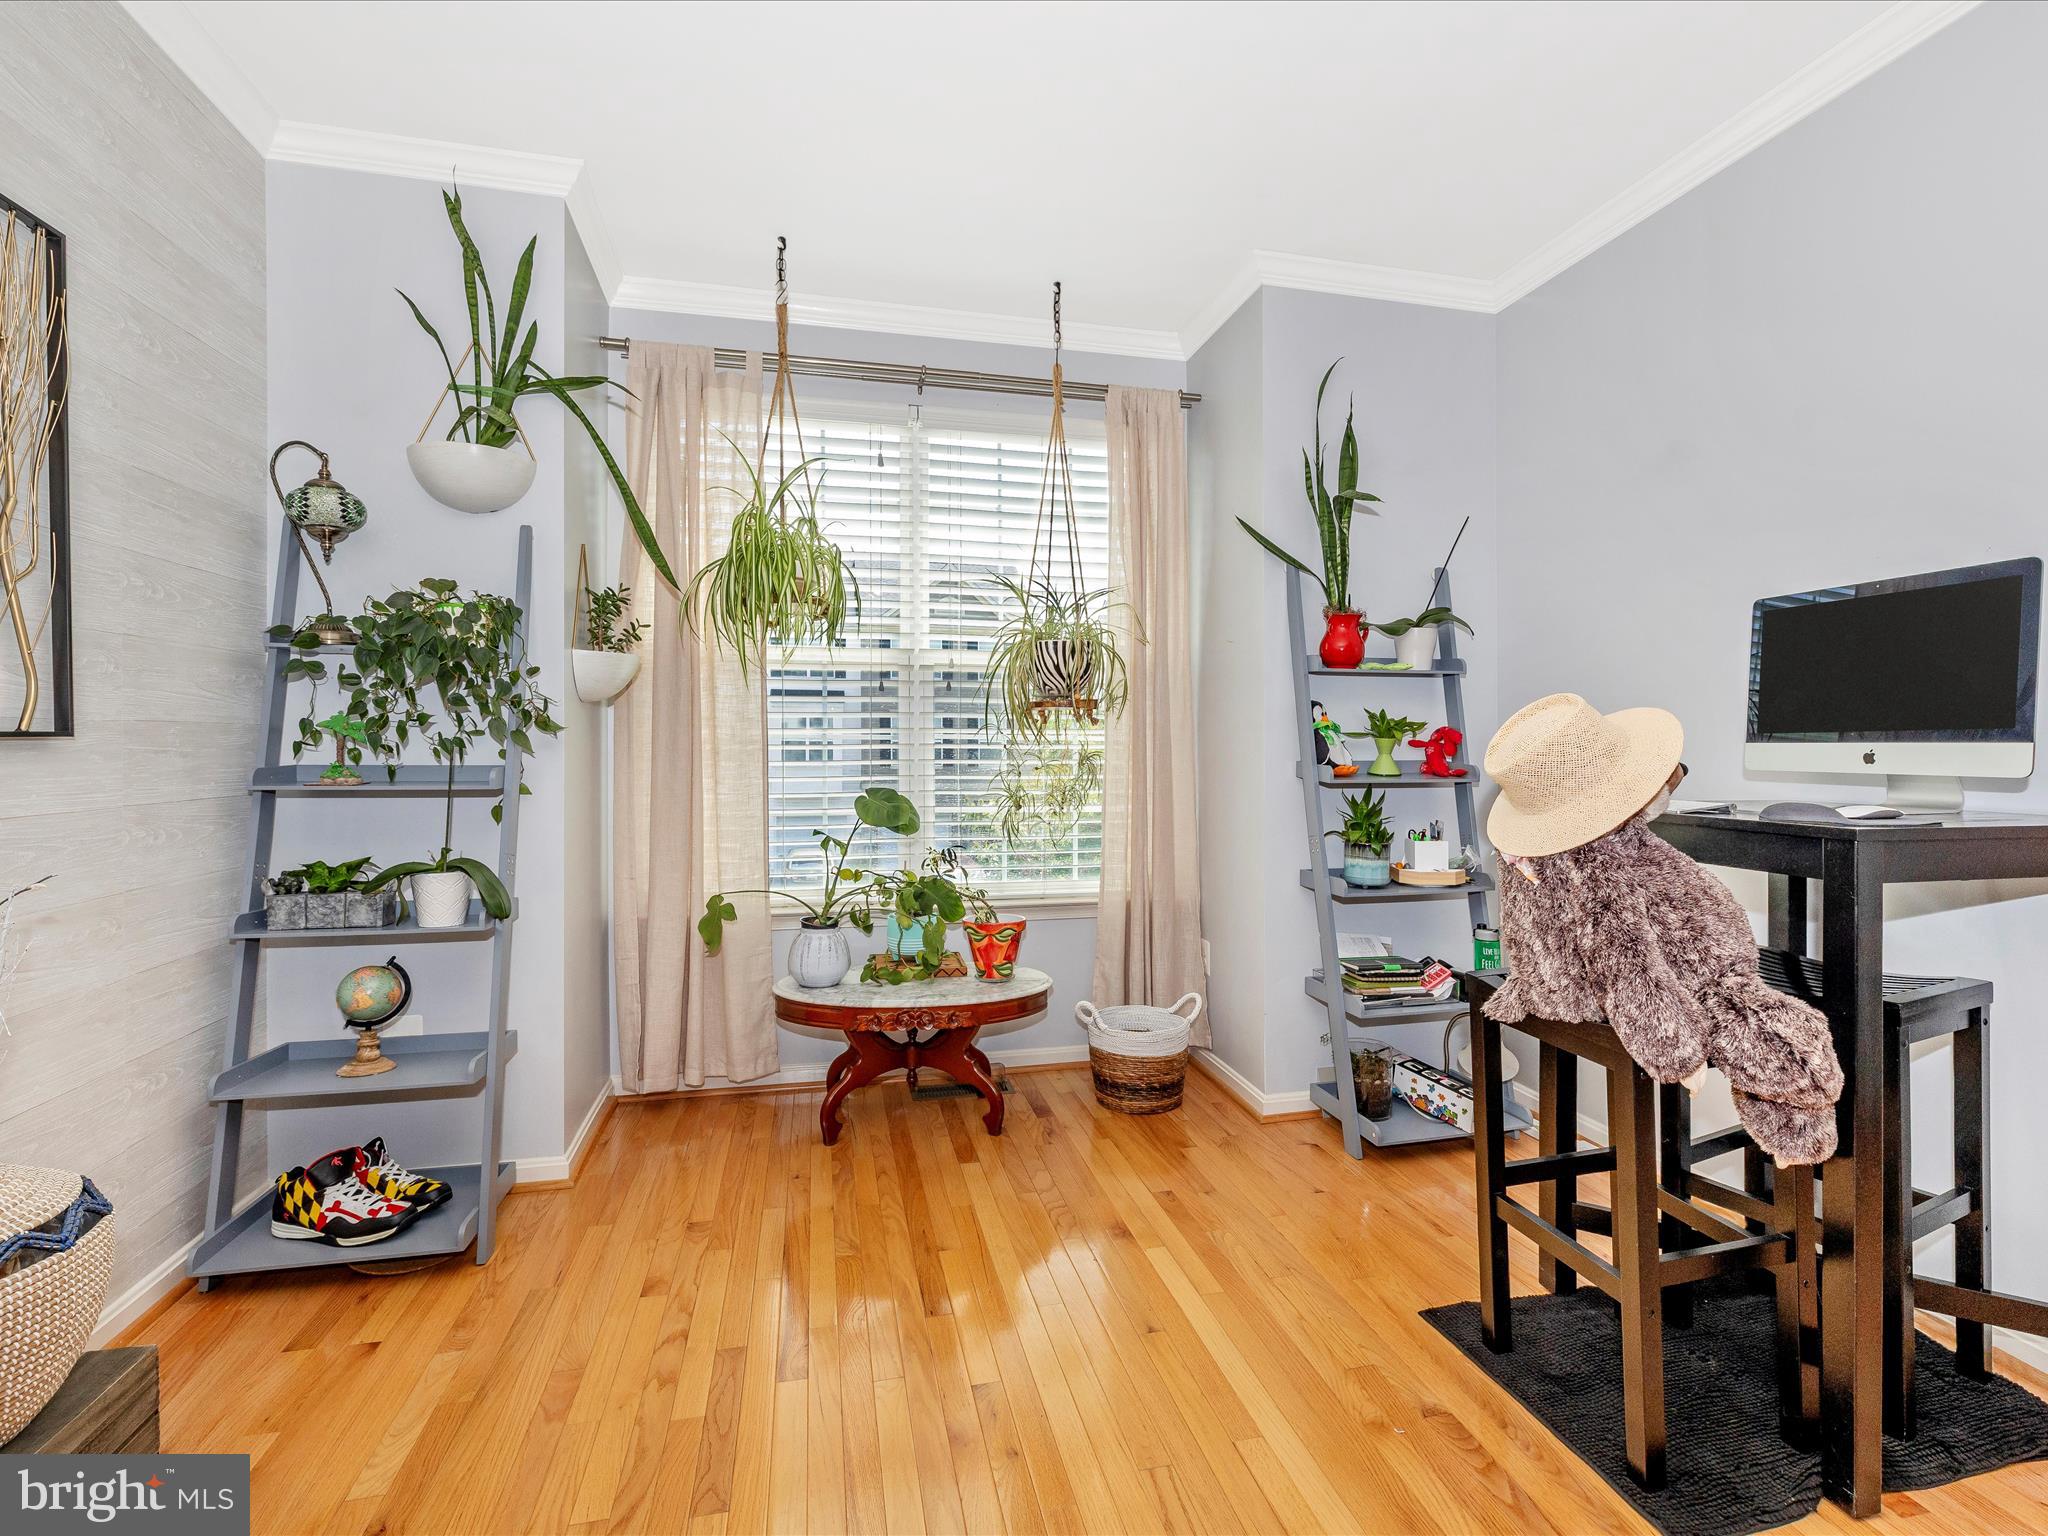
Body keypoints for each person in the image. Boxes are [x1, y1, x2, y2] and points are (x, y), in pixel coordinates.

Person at [1480, 693, 1842, 1165]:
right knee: (1767, 1027)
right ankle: (1801, 1138)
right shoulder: (1599, 864)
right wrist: (1676, 1052)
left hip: (1547, 984)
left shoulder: (1531, 857)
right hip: (1679, 988)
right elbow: (1625, 964)